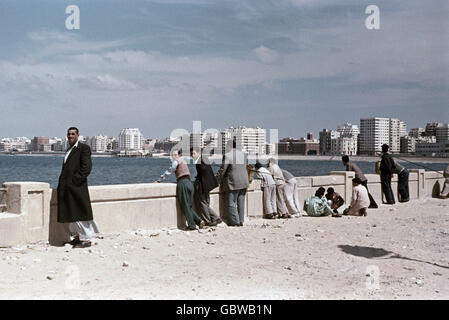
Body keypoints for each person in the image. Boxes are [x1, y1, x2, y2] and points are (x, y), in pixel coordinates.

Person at [57, 127, 99, 248]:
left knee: (80, 213)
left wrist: (74, 181)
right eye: (69, 134)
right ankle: (77, 237)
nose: (70, 136)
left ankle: (85, 239)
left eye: (73, 134)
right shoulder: (69, 150)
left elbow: (86, 168)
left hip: (77, 188)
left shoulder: (83, 148)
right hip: (66, 189)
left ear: (78, 135)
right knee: (70, 214)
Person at [156, 149, 205, 231]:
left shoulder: (177, 161)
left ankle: (192, 225)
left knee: (185, 206)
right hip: (190, 183)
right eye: (173, 155)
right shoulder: (184, 161)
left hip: (183, 183)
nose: (173, 156)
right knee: (188, 206)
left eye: (174, 155)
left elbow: (170, 170)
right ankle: (199, 221)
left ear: (178, 155)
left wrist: (159, 180)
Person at [215, 140, 250, 227]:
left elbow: (223, 170)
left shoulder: (227, 155)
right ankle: (241, 220)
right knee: (241, 202)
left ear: (228, 147)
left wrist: (217, 180)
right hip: (244, 181)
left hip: (233, 182)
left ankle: (235, 222)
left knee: (231, 202)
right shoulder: (243, 155)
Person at [190, 147, 222, 226]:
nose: (192, 156)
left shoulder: (199, 161)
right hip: (208, 184)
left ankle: (208, 220)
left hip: (203, 185)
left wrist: (198, 179)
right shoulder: (204, 159)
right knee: (205, 203)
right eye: (191, 154)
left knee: (203, 203)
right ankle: (216, 218)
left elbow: (203, 172)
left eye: (193, 153)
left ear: (198, 153)